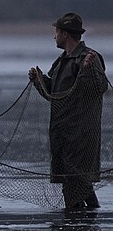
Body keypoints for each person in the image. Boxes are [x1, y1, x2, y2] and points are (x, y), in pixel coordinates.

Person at [28, 12, 107, 208]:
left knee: (76, 182)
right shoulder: (61, 61)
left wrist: (87, 70)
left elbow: (99, 89)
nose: (54, 36)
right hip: (61, 132)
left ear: (65, 34)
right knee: (76, 183)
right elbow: (53, 95)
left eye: (56, 32)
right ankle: (85, 225)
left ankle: (78, 228)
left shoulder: (90, 58)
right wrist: (39, 81)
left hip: (81, 134)